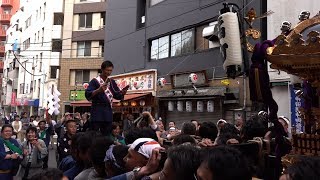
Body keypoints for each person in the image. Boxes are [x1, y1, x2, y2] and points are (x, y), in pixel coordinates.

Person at [85, 61, 129, 136]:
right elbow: (87, 94)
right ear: (102, 69)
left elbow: (117, 95)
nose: (109, 72)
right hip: (97, 110)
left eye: (110, 70)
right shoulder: (95, 81)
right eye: (107, 70)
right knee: (94, 134)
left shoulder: (111, 82)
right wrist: (98, 90)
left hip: (108, 111)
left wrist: (123, 92)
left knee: (107, 134)